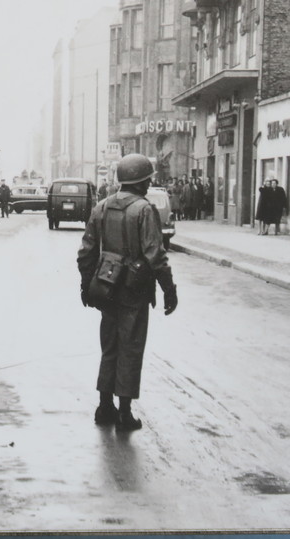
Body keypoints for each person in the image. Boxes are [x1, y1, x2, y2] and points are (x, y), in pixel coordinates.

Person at [77, 153, 178, 432]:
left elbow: (86, 252)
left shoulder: (101, 207)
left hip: (106, 286)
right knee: (130, 348)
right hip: (134, 290)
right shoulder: (145, 210)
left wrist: (87, 286)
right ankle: (124, 412)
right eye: (147, 180)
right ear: (142, 182)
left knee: (109, 347)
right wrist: (169, 290)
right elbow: (156, 256)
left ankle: (104, 405)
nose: (148, 185)